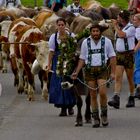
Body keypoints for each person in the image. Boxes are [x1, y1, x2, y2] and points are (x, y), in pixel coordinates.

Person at [71, 22, 116, 127]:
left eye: (97, 31)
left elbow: (113, 57)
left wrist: (113, 73)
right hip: (89, 70)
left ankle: (104, 114)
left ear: (100, 32)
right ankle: (95, 117)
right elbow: (82, 58)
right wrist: (76, 72)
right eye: (93, 31)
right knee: (92, 94)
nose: (95, 33)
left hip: (102, 70)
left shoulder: (107, 42)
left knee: (103, 93)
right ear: (90, 32)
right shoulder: (85, 42)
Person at [47, 18, 76, 116]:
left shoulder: (71, 36)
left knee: (69, 83)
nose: (61, 27)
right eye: (59, 25)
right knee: (59, 85)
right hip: (57, 62)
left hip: (69, 62)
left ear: (66, 25)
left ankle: (70, 106)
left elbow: (75, 50)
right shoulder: (53, 37)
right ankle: (63, 108)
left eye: (62, 25)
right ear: (56, 26)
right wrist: (49, 64)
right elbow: (51, 52)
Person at [108, 10, 136, 109]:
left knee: (129, 78)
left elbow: (121, 35)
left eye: (119, 17)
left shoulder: (131, 28)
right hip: (119, 55)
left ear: (123, 18)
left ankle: (132, 96)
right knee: (118, 77)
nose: (117, 19)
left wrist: (115, 26)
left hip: (128, 55)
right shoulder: (119, 27)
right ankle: (116, 98)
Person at [132, 13, 140, 98]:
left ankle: (138, 88)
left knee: (138, 68)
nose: (133, 21)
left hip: (139, 51)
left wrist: (134, 50)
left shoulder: (138, 29)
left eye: (134, 19)